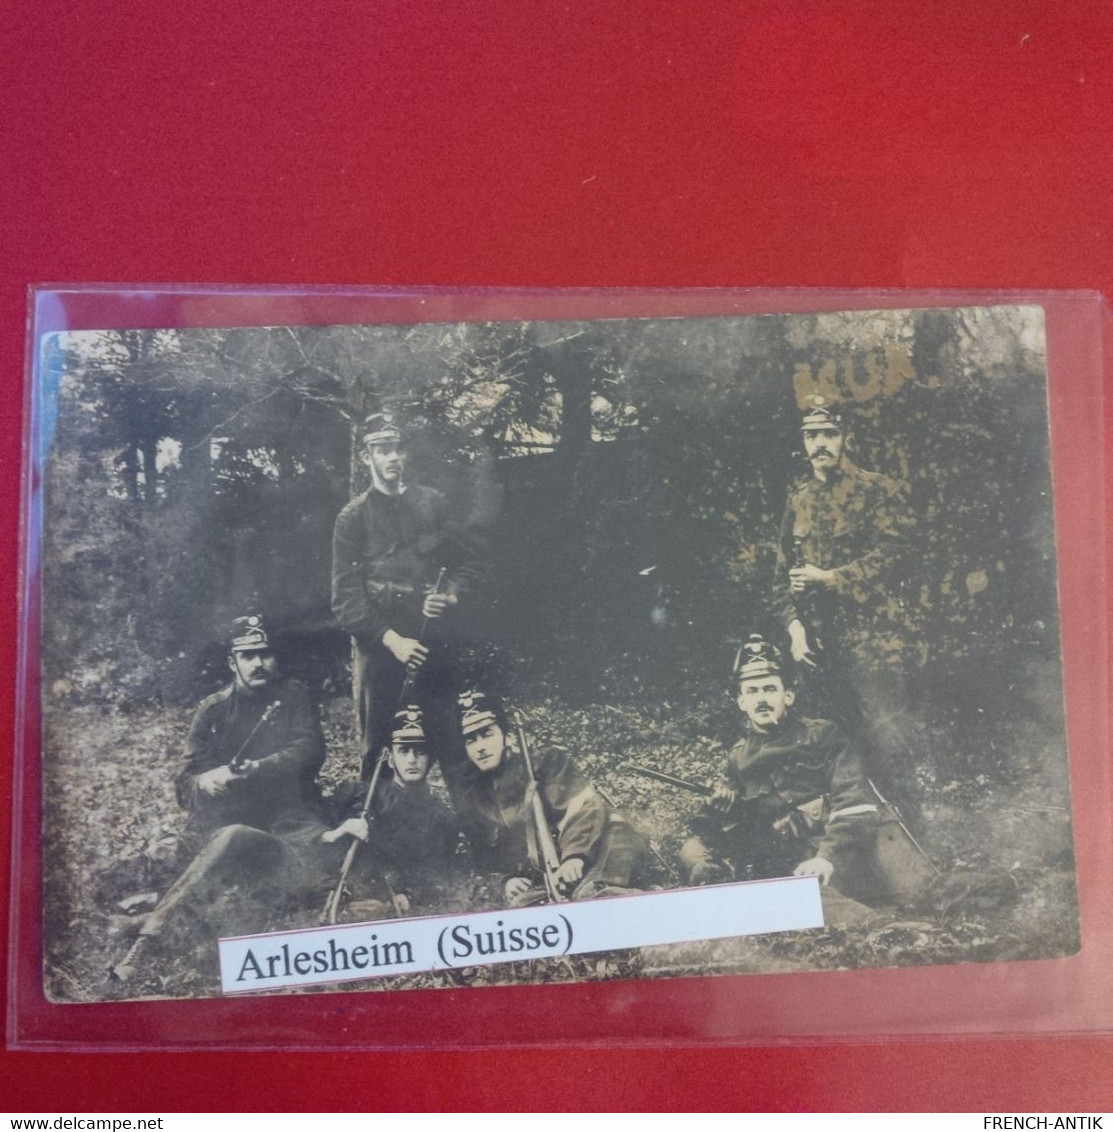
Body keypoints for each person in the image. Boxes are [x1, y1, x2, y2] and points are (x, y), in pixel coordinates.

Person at [111, 615, 328, 981]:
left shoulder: (294, 697)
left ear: (277, 658)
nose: (257, 663)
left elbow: (310, 751)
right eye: (247, 655)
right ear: (233, 663)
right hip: (218, 829)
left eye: (265, 654)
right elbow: (185, 783)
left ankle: (148, 937)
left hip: (282, 831)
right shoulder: (213, 710)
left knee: (233, 842)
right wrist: (205, 782)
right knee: (169, 852)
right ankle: (150, 915)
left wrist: (257, 768)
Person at [680, 634, 887, 927]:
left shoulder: (821, 735)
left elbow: (855, 803)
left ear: (788, 696)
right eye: (751, 691)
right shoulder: (738, 757)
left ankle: (881, 927)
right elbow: (729, 828)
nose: (761, 699)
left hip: (829, 856)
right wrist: (718, 808)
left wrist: (828, 856)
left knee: (803, 894)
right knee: (694, 851)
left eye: (769, 689)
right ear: (741, 702)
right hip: (778, 861)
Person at [331, 411, 481, 792]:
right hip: (381, 653)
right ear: (368, 457)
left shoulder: (433, 504)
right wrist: (391, 640)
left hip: (434, 646)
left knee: (451, 744)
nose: (393, 457)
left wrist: (450, 595)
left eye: (398, 449)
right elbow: (345, 600)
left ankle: (477, 841)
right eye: (383, 450)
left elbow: (470, 561)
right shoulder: (353, 519)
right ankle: (378, 843)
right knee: (378, 753)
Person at [773, 395, 916, 781]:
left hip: (872, 637)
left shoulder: (876, 490)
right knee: (828, 743)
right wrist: (794, 628)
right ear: (802, 443)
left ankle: (909, 827)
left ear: (846, 438)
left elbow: (894, 556)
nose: (819, 443)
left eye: (829, 433)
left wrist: (831, 578)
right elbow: (779, 579)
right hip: (819, 643)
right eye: (811, 435)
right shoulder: (798, 502)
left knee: (888, 738)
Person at [454, 689, 654, 907]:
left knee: (592, 892)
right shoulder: (476, 797)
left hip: (596, 849)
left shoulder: (546, 763)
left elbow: (582, 808)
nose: (480, 747)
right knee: (523, 905)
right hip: (548, 876)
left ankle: (631, 899)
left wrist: (574, 856)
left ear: (507, 737)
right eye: (471, 741)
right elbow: (487, 858)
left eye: (487, 735)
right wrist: (507, 881)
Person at [323, 704, 465, 920]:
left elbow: (438, 877)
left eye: (420, 751)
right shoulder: (359, 797)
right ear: (390, 758)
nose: (411, 760)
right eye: (404, 751)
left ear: (431, 759)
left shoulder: (441, 818)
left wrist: (402, 899)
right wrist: (338, 831)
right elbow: (315, 832)